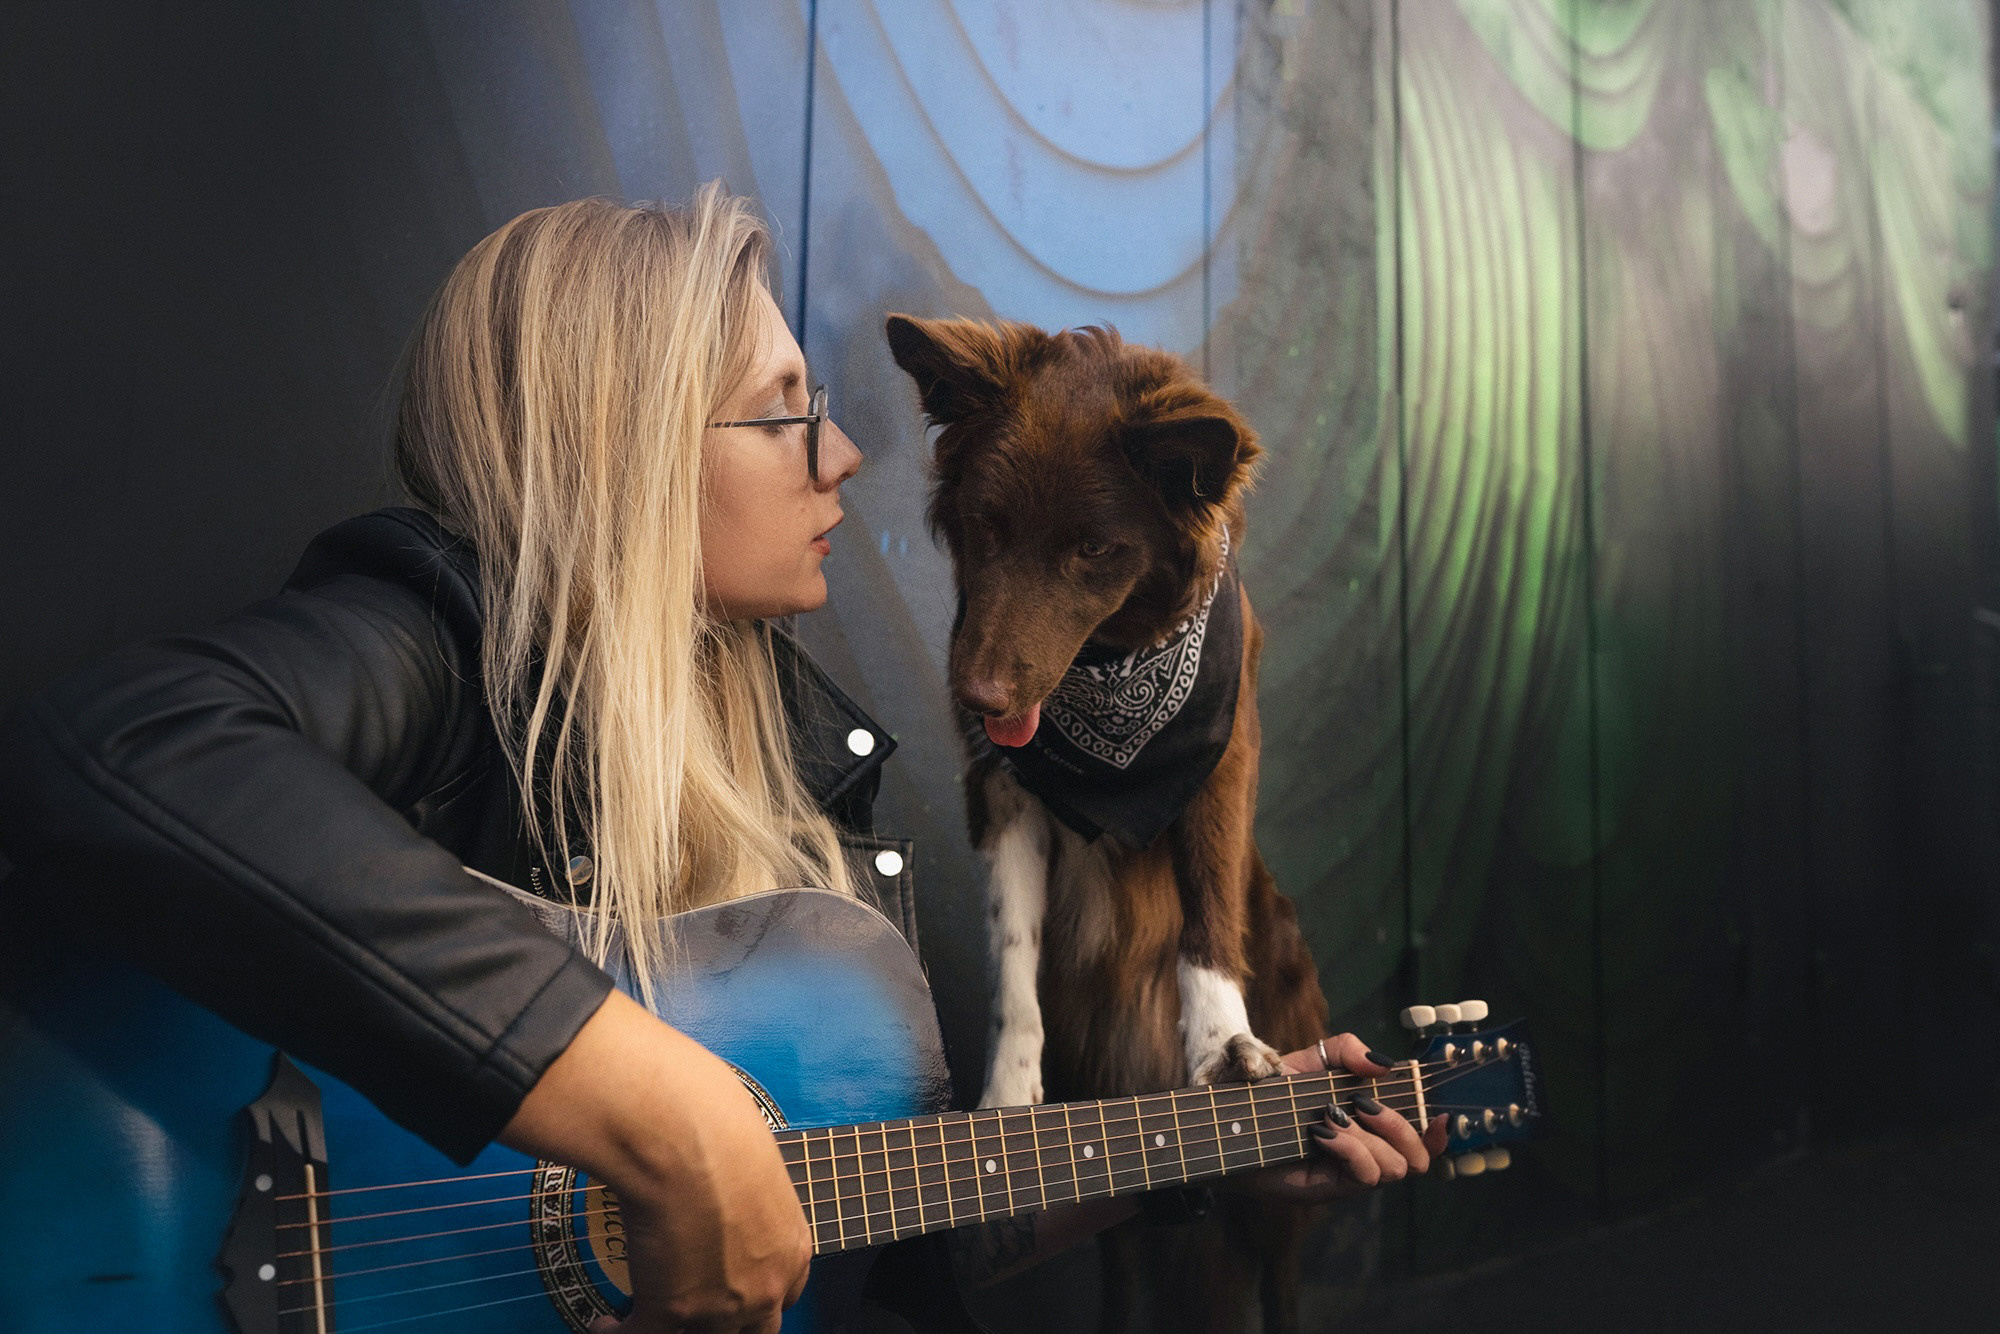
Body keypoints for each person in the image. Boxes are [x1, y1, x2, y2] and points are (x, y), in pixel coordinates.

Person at [0, 188, 1440, 1334]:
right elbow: (120, 748)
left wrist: (1192, 1158)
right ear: (620, 443)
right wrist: (651, 1103)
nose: (844, 459)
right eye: (783, 409)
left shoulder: (814, 761)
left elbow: (889, 1209)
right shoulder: (441, 630)